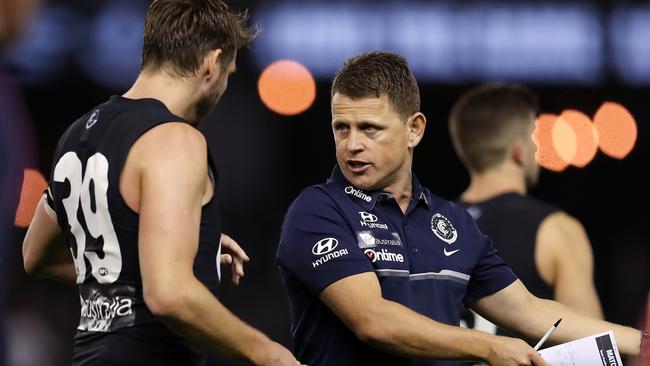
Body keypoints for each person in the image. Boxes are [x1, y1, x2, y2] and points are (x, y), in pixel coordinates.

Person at [276, 51, 647, 366]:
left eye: (370, 128)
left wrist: (642, 343)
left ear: (414, 130)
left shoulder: (451, 219)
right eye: (342, 128)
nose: (352, 144)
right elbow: (373, 322)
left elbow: (530, 311)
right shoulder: (318, 211)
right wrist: (490, 347)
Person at [21, 1, 301, 365]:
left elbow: (35, 254)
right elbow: (169, 294)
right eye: (228, 74)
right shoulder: (175, 139)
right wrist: (271, 354)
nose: (223, 88)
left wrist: (167, 246)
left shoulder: (78, 134)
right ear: (211, 64)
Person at [447, 84, 603, 344]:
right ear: (519, 152)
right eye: (534, 138)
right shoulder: (556, 229)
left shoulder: (425, 224)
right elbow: (591, 349)